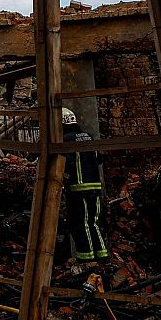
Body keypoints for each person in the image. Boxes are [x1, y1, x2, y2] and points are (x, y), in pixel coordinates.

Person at [62, 107, 109, 263]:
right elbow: (100, 159)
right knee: (94, 223)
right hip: (95, 187)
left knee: (80, 225)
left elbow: (66, 163)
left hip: (79, 189)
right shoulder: (88, 136)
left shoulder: (67, 140)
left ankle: (86, 260)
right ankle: (102, 257)